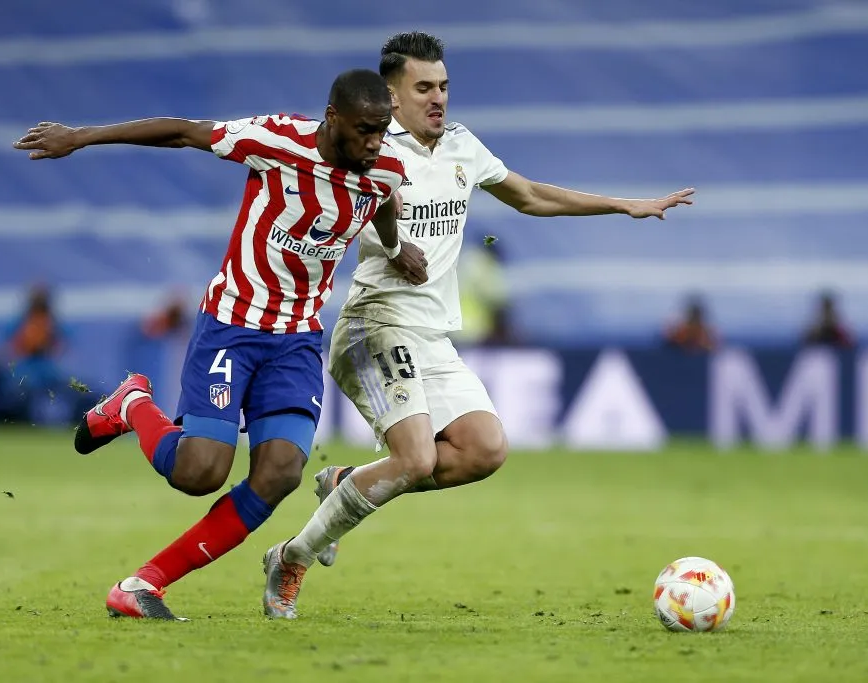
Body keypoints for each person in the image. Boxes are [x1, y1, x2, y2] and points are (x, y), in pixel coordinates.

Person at [262, 32, 694, 619]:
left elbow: (529, 195)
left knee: (484, 450)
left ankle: (349, 481)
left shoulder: (461, 146)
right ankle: (292, 558)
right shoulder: (366, 153)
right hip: (375, 323)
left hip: (432, 335)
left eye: (443, 86)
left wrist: (622, 205)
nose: (438, 98)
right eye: (423, 88)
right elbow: (334, 215)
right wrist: (390, 247)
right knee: (415, 459)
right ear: (391, 96)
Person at [13, 68, 427, 620]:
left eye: (382, 130)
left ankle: (143, 584)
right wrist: (80, 137)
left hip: (297, 340)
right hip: (233, 326)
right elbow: (182, 131)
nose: (376, 143)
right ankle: (132, 404)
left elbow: (383, 199)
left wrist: (395, 248)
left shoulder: (384, 168)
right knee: (199, 472)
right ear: (333, 118)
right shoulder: (278, 141)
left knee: (281, 473)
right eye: (365, 130)